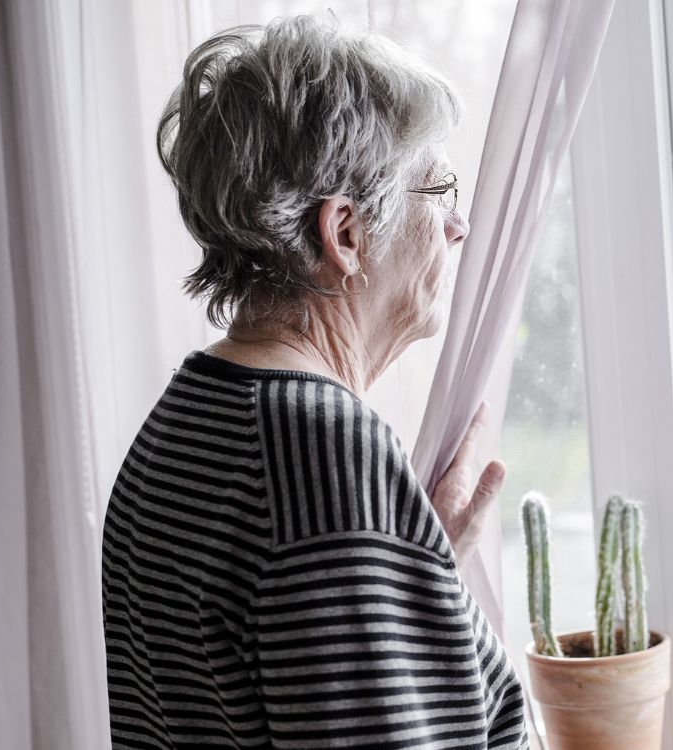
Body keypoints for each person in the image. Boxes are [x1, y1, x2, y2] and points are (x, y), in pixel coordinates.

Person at [102, 15, 527, 749]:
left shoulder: (182, 420)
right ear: (347, 234)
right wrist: (373, 539)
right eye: (440, 190)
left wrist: (409, 579)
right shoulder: (324, 458)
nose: (458, 226)